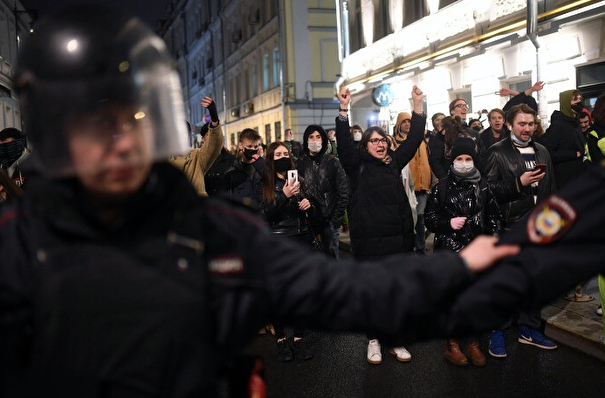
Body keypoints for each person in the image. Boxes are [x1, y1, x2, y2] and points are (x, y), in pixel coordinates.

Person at [10, 6, 583, 396]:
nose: (115, 147)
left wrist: (454, 272)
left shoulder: (209, 231)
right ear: (54, 134)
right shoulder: (15, 249)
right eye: (90, 128)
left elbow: (345, 290)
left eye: (128, 123)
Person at [335, 85, 427, 365]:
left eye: (382, 140)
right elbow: (342, 144)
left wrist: (418, 106)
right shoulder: (356, 165)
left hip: (397, 241)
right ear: (365, 146)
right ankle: (374, 340)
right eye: (373, 141)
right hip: (369, 242)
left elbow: (412, 140)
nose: (380, 144)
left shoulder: (393, 163)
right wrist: (343, 111)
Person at [483, 103, 557, 358]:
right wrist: (518, 183)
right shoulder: (496, 152)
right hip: (509, 227)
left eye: (531, 124)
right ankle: (497, 332)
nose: (527, 129)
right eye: (522, 124)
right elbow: (486, 193)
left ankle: (529, 329)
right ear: (509, 125)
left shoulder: (543, 151)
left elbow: (551, 190)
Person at [426, 137, 503, 367]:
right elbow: (429, 219)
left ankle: (473, 342)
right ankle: (452, 343)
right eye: (459, 158)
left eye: (468, 158)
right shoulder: (441, 187)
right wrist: (448, 223)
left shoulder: (483, 186)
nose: (464, 163)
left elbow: (494, 217)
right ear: (452, 160)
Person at [260, 142, 315, 361]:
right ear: (270, 160)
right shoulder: (264, 183)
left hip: (301, 242)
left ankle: (299, 339)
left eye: (285, 153)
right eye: (277, 154)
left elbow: (312, 212)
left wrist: (306, 202)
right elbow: (262, 216)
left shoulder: (298, 180)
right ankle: (282, 339)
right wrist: (283, 195)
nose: (282, 157)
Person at [297, 124, 349, 259]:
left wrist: (335, 219)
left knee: (331, 261)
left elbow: (343, 192)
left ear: (324, 140)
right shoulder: (300, 163)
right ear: (306, 140)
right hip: (308, 222)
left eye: (318, 137)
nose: (315, 140)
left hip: (329, 222)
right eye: (311, 137)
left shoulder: (333, 162)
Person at [168, 97, 223, 197]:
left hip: (196, 209)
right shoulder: (164, 161)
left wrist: (214, 118)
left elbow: (214, 144)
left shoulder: (197, 157)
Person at [395, 111, 432, 254]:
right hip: (405, 187)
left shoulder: (421, 142)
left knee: (420, 219)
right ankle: (408, 247)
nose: (407, 124)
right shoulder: (395, 142)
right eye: (404, 121)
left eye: (409, 121)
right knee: (408, 219)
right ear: (399, 124)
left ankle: (420, 247)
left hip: (421, 186)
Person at [540, 88, 588, 189]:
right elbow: (548, 152)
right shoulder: (558, 125)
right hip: (564, 180)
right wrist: (573, 154)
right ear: (566, 103)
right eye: (575, 100)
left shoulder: (575, 123)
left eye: (580, 99)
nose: (579, 102)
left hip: (577, 177)